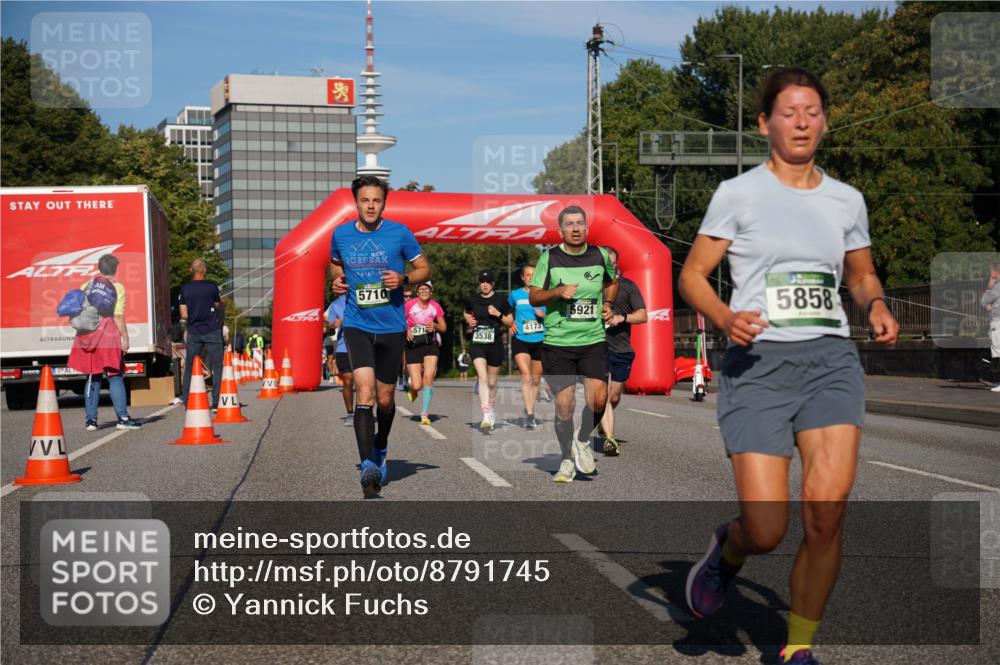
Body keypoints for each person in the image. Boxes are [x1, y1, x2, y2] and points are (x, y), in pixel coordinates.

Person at [678, 67, 899, 665]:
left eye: (812, 112)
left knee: (826, 514)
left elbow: (859, 273)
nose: (801, 121)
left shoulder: (846, 199)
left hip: (830, 360)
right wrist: (726, 318)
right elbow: (692, 277)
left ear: (824, 121)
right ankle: (729, 549)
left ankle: (796, 648)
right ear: (765, 124)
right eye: (788, 112)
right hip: (758, 363)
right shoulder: (739, 195)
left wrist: (875, 303)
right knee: (768, 529)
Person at [331, 174, 431, 497]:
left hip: (392, 327)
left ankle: (381, 446)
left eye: (376, 200)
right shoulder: (341, 234)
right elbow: (335, 265)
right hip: (357, 324)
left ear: (383, 203)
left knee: (386, 400)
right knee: (365, 392)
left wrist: (403, 278)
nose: (370, 205)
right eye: (365, 200)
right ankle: (367, 468)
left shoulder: (399, 233)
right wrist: (338, 280)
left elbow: (424, 270)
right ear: (356, 202)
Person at [529, 206, 617, 482]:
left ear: (587, 228)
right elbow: (534, 297)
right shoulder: (550, 258)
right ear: (561, 230)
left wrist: (609, 303)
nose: (576, 228)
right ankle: (566, 457)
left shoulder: (601, 255)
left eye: (580, 223)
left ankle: (582, 440)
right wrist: (556, 292)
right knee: (564, 408)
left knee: (600, 397)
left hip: (593, 339)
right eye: (569, 224)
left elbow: (613, 280)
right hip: (558, 342)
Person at [68, 254, 142, 431]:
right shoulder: (117, 287)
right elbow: (117, 315)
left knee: (93, 376)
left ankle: (91, 421)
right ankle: (123, 418)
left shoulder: (87, 285)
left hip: (88, 333)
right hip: (108, 333)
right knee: (115, 375)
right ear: (115, 269)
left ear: (99, 268)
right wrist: (125, 337)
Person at [599, 247, 647, 455]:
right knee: (604, 393)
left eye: (612, 262)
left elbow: (643, 315)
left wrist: (622, 318)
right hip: (597, 345)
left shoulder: (628, 287)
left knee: (614, 396)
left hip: (621, 348)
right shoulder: (592, 286)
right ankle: (610, 439)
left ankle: (602, 420)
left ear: (617, 264)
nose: (609, 266)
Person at [465, 270, 514, 432]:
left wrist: (498, 313)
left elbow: (509, 321)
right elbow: (466, 311)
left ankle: (490, 408)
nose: (484, 284)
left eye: (487, 281)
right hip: (477, 341)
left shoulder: (501, 299)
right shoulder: (473, 298)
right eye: (482, 281)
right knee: (483, 377)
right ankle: (485, 414)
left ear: (493, 283)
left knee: (492, 382)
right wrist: (468, 319)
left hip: (495, 342)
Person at [178, 258, 226, 411]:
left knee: (190, 367)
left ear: (191, 271)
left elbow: (184, 314)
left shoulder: (185, 289)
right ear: (204, 271)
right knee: (217, 366)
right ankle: (216, 402)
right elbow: (218, 304)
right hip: (212, 330)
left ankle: (187, 401)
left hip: (194, 332)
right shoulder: (212, 286)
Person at [508, 264, 547, 429]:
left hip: (540, 339)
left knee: (536, 380)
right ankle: (530, 415)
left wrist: (543, 315)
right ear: (523, 277)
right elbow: (507, 310)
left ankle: (529, 407)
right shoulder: (515, 295)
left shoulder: (544, 294)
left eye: (533, 274)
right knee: (526, 376)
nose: (531, 277)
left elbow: (552, 314)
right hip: (521, 338)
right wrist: (509, 323)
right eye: (528, 275)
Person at [405, 282, 447, 424]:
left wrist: (435, 325)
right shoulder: (409, 305)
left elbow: (443, 327)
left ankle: (424, 414)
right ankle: (413, 389)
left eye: (426, 289)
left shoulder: (435, 306)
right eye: (421, 289)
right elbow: (399, 321)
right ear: (417, 292)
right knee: (417, 384)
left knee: (428, 377)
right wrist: (406, 330)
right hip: (413, 345)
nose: (424, 291)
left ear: (431, 291)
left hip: (430, 344)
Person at [325, 294, 355, 424]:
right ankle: (350, 413)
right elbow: (329, 330)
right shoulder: (336, 305)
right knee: (348, 380)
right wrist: (332, 325)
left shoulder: (362, 297)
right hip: (344, 347)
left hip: (365, 346)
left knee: (363, 382)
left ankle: (363, 410)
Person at [980, 261, 1000, 392]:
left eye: (992, 275)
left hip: (998, 323)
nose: (991, 277)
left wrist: (989, 286)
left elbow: (984, 301)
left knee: (998, 352)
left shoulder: (997, 287)